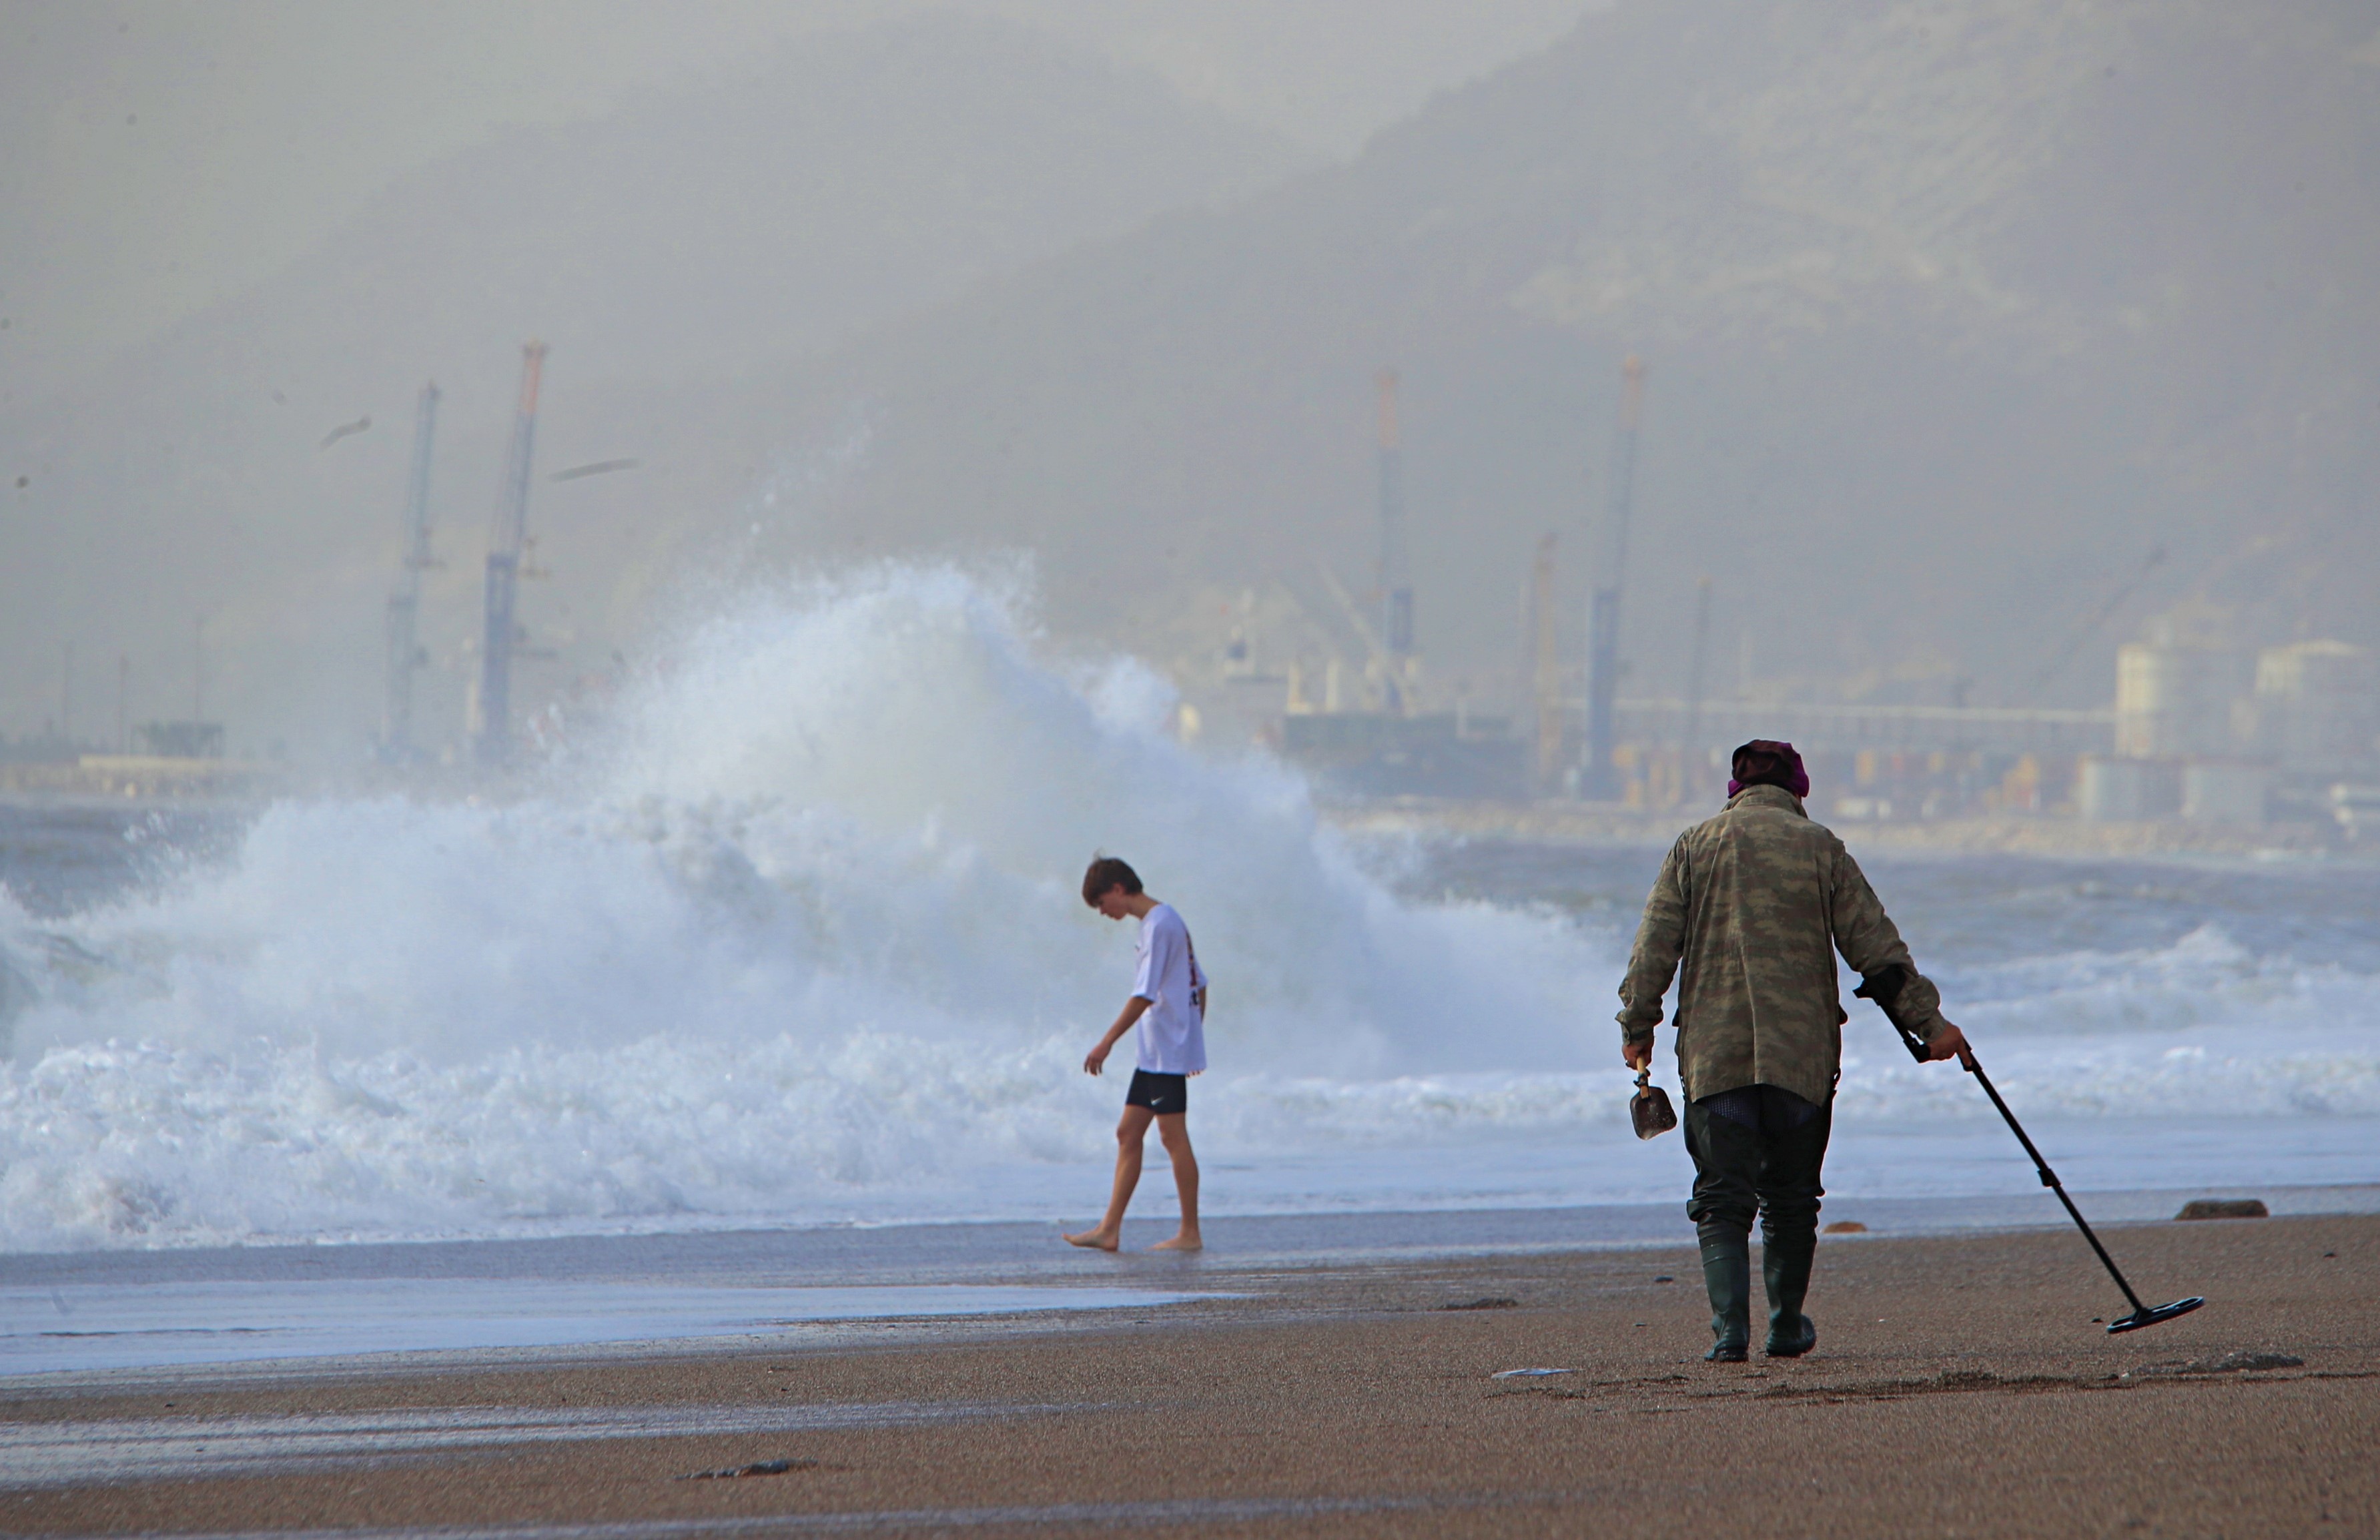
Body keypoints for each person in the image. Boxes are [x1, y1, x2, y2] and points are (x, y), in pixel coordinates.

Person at [1618, 740, 1973, 1362]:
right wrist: (1930, 1025)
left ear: (1734, 790)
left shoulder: (1693, 847)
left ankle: (1730, 1334)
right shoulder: (1822, 849)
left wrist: (1637, 1025)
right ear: (1798, 789)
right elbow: (1877, 952)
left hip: (1715, 1056)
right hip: (1801, 1059)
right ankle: (1785, 1323)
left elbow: (1654, 948)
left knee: (1720, 1198)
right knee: (1791, 1196)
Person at [1064, 855, 1208, 1253]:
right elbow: (1201, 984)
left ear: (1118, 889)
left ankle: (1190, 1233)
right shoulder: (1163, 922)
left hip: (1164, 1054)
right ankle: (1109, 1229)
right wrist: (1189, 1040)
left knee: (1172, 1136)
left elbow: (1145, 995)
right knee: (1129, 1133)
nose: (1103, 913)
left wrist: (1106, 1041)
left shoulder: (1161, 925)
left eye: (1101, 904)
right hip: (1157, 1055)